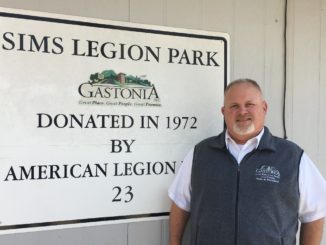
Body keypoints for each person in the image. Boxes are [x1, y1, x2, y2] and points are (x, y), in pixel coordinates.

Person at [168, 78, 326, 245]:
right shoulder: (200, 154)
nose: (242, 112)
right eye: (234, 106)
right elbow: (180, 204)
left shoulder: (292, 157)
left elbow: (314, 214)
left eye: (249, 104)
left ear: (264, 108)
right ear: (223, 112)